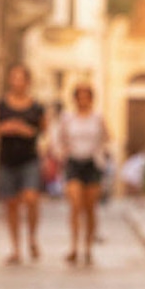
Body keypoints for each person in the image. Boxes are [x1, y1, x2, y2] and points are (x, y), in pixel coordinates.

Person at [0, 64, 46, 265]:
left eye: (21, 78)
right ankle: (16, 248)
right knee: (10, 204)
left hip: (29, 159)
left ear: (28, 82)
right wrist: (5, 128)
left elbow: (43, 132)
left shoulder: (37, 107)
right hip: (7, 160)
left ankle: (32, 237)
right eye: (14, 78)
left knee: (31, 198)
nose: (17, 82)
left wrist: (27, 131)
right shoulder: (0, 105)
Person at [54, 82, 113, 267]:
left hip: (92, 163)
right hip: (73, 163)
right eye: (79, 97)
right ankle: (74, 247)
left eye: (86, 97)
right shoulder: (67, 118)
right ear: (75, 99)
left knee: (90, 208)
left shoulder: (98, 118)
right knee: (75, 204)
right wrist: (62, 152)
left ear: (91, 99)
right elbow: (58, 138)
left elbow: (108, 137)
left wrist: (102, 149)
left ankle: (88, 248)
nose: (83, 100)